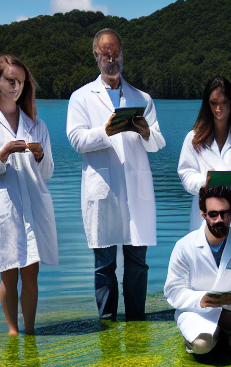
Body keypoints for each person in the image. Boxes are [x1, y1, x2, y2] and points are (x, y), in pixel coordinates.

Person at [66, 28, 165, 321]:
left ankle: (136, 318)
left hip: (136, 188)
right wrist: (105, 131)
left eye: (116, 53)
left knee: (137, 261)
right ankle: (107, 321)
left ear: (122, 54)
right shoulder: (81, 97)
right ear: (96, 56)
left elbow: (158, 143)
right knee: (104, 263)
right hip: (103, 189)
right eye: (106, 54)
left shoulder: (142, 98)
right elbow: (75, 140)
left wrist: (146, 131)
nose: (111, 59)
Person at [0, 55, 57, 335]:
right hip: (3, 208)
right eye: (10, 80)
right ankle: (12, 331)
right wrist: (3, 154)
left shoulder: (36, 124)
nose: (16, 87)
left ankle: (29, 330)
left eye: (20, 82)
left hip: (33, 206)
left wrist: (41, 156)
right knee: (8, 272)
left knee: (31, 272)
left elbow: (47, 173)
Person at [163, 184, 231, 356]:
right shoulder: (184, 246)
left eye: (225, 213)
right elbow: (173, 291)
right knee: (202, 347)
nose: (219, 220)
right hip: (197, 312)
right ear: (203, 214)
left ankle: (229, 343)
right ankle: (214, 340)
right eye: (213, 214)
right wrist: (202, 299)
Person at [178, 76, 231, 238]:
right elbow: (186, 173)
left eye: (224, 103)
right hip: (205, 215)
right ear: (206, 104)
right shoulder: (193, 139)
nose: (218, 109)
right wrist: (205, 183)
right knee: (205, 259)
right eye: (213, 103)